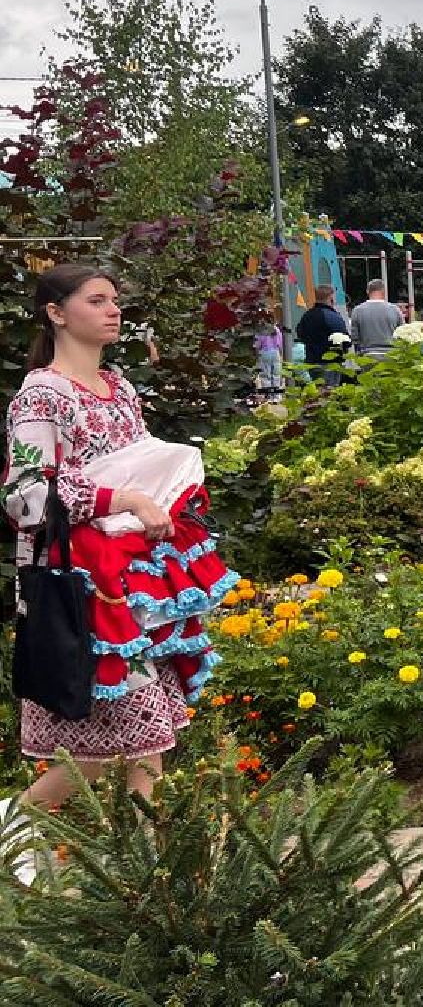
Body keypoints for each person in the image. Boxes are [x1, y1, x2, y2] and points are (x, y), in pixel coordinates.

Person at [2, 265, 236, 881]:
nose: (113, 311)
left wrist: (169, 489)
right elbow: (24, 496)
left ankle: (140, 876)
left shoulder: (119, 387)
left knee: (138, 742)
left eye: (115, 300)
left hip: (137, 581)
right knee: (141, 735)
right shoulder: (41, 396)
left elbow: (142, 466)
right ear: (56, 313)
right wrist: (122, 498)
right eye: (96, 300)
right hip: (80, 586)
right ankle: (136, 872)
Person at [294, 284, 350, 386]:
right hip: (330, 363)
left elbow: (300, 334)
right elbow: (344, 340)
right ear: (331, 298)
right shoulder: (332, 317)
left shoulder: (307, 316)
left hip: (312, 362)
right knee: (330, 390)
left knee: (318, 389)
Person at [349, 279, 405, 360]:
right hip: (391, 356)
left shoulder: (358, 310)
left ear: (367, 291)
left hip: (367, 355)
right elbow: (402, 335)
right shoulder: (395, 310)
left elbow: (355, 338)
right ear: (383, 291)